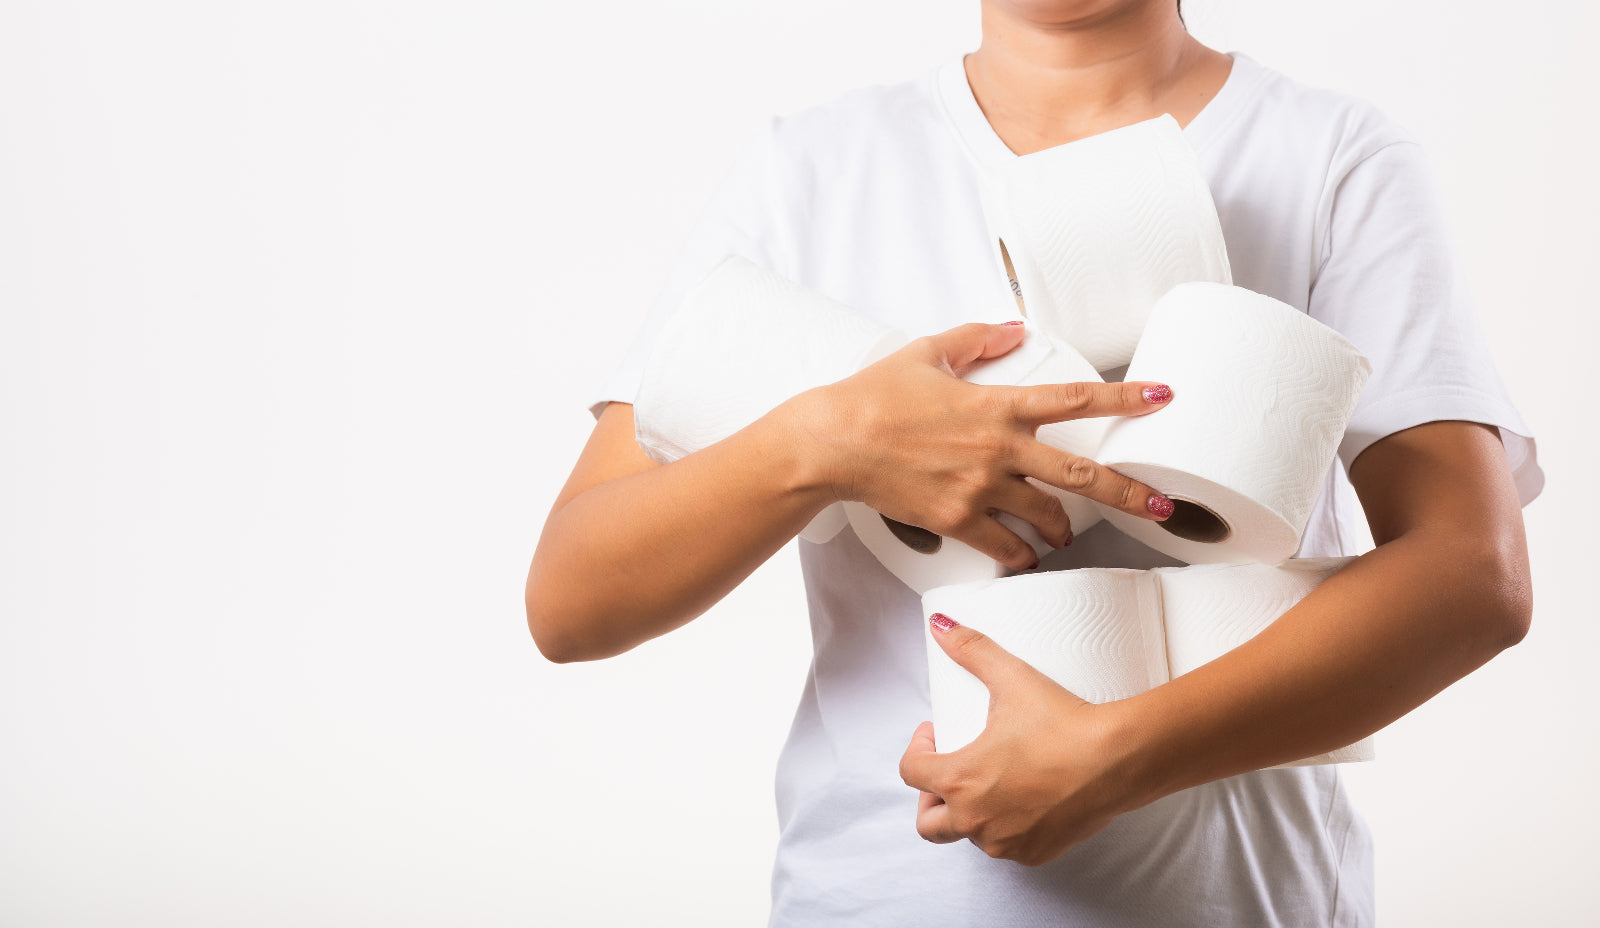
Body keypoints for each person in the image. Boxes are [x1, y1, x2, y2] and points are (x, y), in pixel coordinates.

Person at [525, 0, 1542, 924]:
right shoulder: (816, 169)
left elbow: (1472, 574)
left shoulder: (1330, 156)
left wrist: (1118, 755)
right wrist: (832, 443)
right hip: (881, 899)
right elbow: (572, 598)